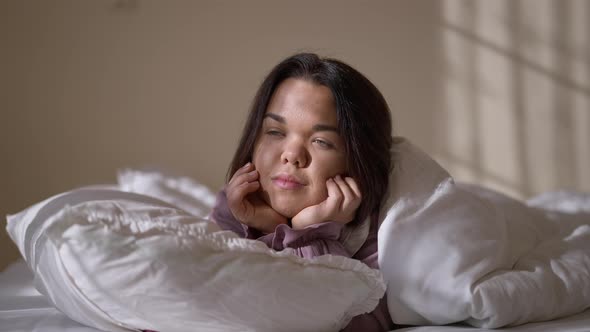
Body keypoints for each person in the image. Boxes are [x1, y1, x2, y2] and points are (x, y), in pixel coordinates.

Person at [210, 52, 396, 331]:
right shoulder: (236, 204)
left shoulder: (381, 231)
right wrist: (274, 227)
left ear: (357, 160)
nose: (292, 155)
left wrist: (309, 232)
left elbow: (350, 322)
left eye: (321, 141)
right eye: (274, 132)